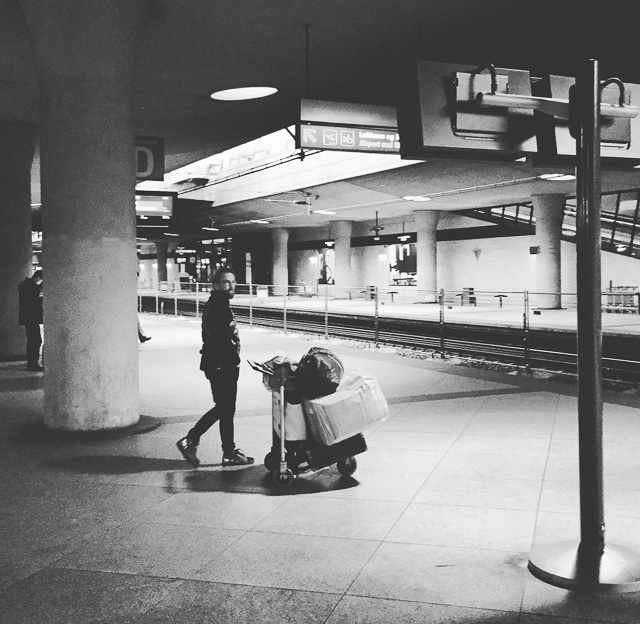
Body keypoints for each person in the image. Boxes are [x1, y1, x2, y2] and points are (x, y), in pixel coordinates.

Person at [176, 267, 254, 467]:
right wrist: (231, 360)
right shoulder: (219, 305)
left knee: (226, 409)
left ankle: (229, 452)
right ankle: (191, 439)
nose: (231, 286)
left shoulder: (219, 303)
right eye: (227, 282)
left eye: (234, 282)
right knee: (224, 408)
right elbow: (221, 338)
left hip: (220, 364)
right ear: (217, 285)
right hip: (221, 365)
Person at [18, 269, 43, 371]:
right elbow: (35, 302)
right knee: (35, 340)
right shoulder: (32, 287)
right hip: (32, 317)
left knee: (33, 340)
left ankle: (32, 363)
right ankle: (32, 364)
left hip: (28, 318)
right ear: (38, 278)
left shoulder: (24, 285)